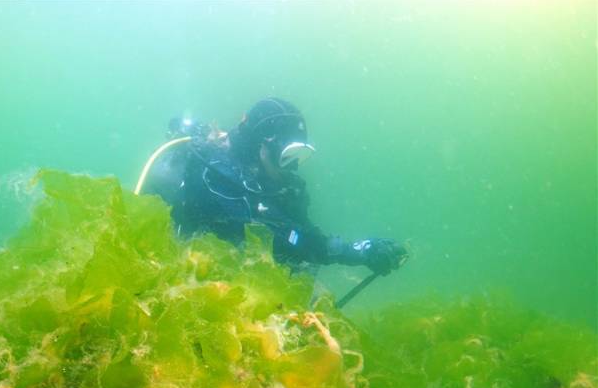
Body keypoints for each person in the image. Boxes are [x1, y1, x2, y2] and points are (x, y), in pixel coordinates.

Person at [140, 98, 407, 275]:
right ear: (259, 145)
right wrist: (352, 252)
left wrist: (361, 250)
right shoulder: (214, 177)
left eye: (301, 155)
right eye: (287, 155)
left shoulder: (273, 184)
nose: (293, 166)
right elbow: (284, 236)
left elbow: (301, 232)